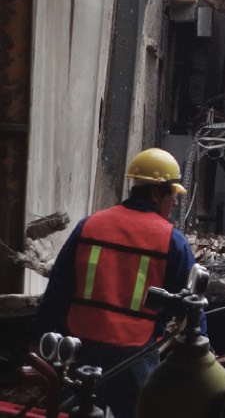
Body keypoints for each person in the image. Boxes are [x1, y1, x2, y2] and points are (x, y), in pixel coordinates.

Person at [33, 147, 203, 418]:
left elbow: (58, 290)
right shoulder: (172, 240)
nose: (174, 202)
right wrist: (202, 351)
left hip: (81, 348)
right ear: (156, 193)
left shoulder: (89, 226)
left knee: (72, 411)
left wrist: (41, 337)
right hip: (134, 357)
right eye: (172, 194)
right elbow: (192, 304)